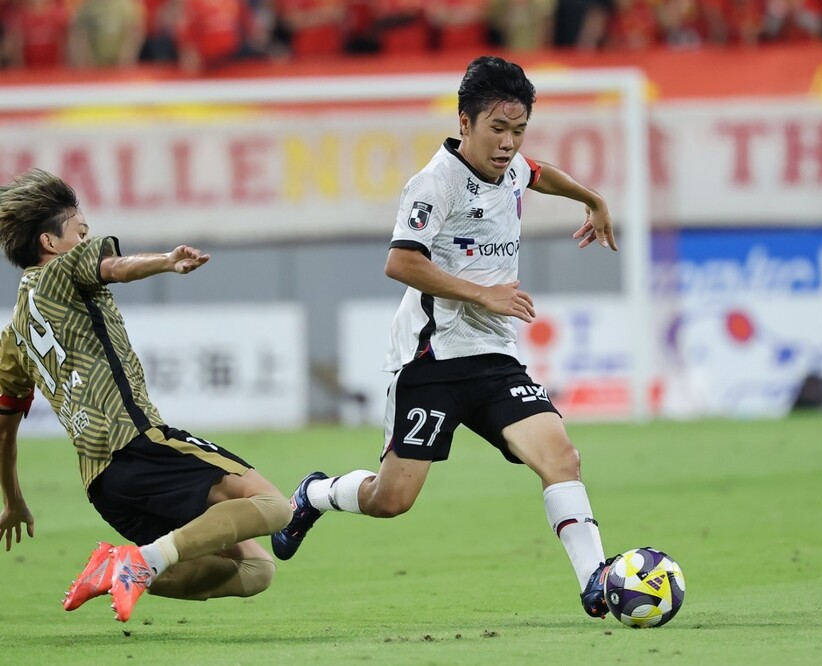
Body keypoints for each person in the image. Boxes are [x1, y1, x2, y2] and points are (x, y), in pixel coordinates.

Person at [271, 55, 620, 619]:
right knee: (391, 500)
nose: (508, 143)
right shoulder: (434, 184)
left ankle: (595, 582)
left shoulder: (510, 166)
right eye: (497, 129)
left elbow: (537, 171)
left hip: (494, 359)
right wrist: (483, 294)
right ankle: (314, 493)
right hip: (430, 361)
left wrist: (591, 199)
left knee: (561, 457)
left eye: (518, 130)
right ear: (465, 122)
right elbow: (400, 262)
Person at [0, 169, 292, 623]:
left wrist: (13, 499)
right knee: (274, 508)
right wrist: (166, 262)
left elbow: (4, 430)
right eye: (81, 232)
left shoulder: (13, 335)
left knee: (256, 570)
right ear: (49, 242)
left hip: (103, 485)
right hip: (136, 442)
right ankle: (142, 561)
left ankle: (117, 566)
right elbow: (114, 267)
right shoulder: (62, 269)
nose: (86, 239)